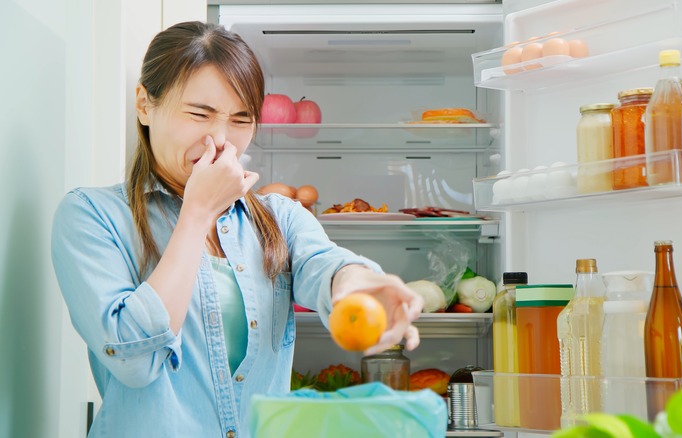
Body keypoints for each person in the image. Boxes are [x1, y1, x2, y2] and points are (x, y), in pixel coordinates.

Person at [51, 21, 424, 437]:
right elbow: (134, 361)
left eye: (241, 120)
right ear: (144, 104)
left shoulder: (279, 217)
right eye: (199, 114)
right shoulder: (91, 216)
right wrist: (197, 212)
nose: (221, 140)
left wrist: (358, 286)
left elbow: (327, 265)